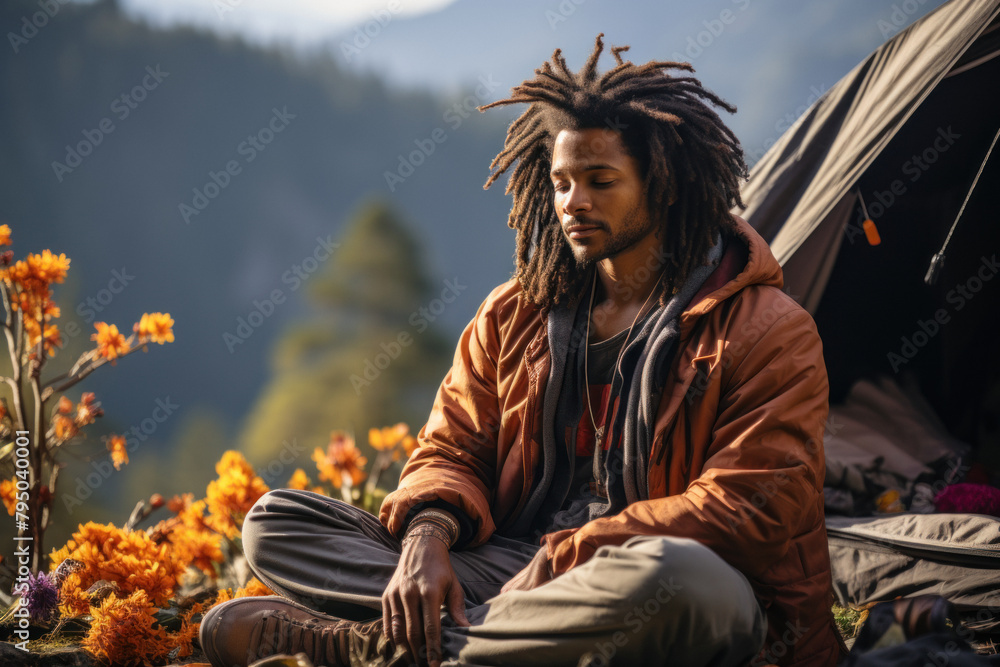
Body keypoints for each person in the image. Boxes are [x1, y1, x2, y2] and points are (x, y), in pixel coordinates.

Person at [199, 34, 847, 667]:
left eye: (600, 180)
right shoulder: (514, 314)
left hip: (685, 586)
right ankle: (486, 641)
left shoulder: (767, 331)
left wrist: (572, 554)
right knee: (276, 521)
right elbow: (451, 450)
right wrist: (427, 537)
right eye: (562, 182)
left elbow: (743, 515)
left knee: (674, 578)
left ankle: (363, 647)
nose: (573, 203)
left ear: (666, 185)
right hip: (513, 567)